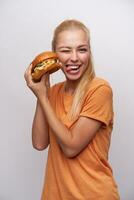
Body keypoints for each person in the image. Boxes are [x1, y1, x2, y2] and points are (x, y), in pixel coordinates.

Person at [24, 19, 120, 200]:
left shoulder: (99, 90)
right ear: (55, 56)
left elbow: (71, 147)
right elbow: (39, 143)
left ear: (89, 53)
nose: (74, 57)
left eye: (81, 49)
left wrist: (43, 97)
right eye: (65, 50)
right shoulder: (53, 92)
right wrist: (42, 93)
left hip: (93, 195)